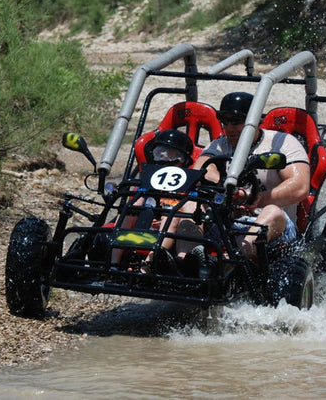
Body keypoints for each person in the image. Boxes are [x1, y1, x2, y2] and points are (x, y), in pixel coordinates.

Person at [182, 91, 311, 259]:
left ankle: (233, 262)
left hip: (274, 228)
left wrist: (255, 198)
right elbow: (200, 172)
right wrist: (228, 190)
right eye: (225, 121)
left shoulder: (281, 143)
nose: (229, 128)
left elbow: (300, 186)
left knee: (272, 211)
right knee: (191, 203)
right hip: (226, 224)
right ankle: (185, 259)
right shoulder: (220, 144)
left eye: (236, 121)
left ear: (255, 121)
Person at [110, 129, 194, 271]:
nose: (164, 157)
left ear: (183, 159)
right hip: (146, 224)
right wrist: (136, 207)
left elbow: (186, 209)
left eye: (170, 154)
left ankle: (147, 266)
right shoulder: (150, 180)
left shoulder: (186, 183)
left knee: (171, 215)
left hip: (171, 227)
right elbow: (137, 203)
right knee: (129, 209)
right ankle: (113, 264)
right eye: (159, 152)